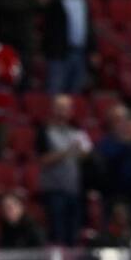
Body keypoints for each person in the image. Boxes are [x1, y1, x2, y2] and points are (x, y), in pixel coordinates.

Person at [37, 93, 90, 244]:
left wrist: (83, 153)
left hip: (74, 189)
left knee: (73, 235)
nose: (63, 111)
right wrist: (66, 151)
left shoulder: (77, 130)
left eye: (66, 107)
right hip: (54, 190)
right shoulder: (45, 131)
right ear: (53, 109)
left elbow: (86, 154)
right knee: (57, 235)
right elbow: (42, 159)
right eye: (60, 107)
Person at [40, 0, 94, 95]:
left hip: (79, 53)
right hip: (59, 54)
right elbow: (40, 14)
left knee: (75, 95)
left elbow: (88, 26)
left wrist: (93, 49)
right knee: (55, 93)